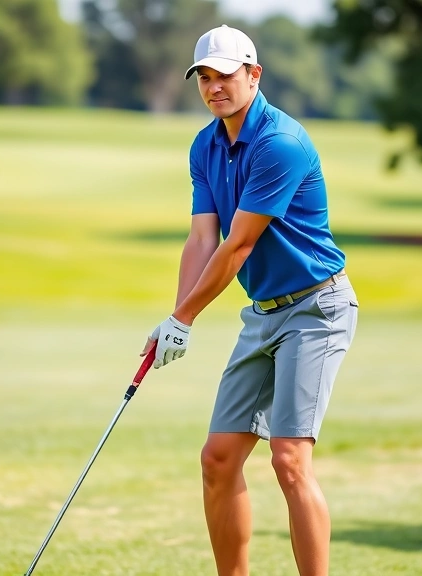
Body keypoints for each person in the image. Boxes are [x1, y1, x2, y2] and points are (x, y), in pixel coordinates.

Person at [141, 24, 359, 576]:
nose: (215, 87)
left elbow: (238, 246)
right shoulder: (206, 143)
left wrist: (187, 315)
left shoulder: (279, 143)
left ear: (254, 75)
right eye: (205, 78)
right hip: (263, 313)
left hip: (316, 310)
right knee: (217, 459)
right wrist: (175, 319)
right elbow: (202, 239)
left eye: (226, 75)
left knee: (288, 461)